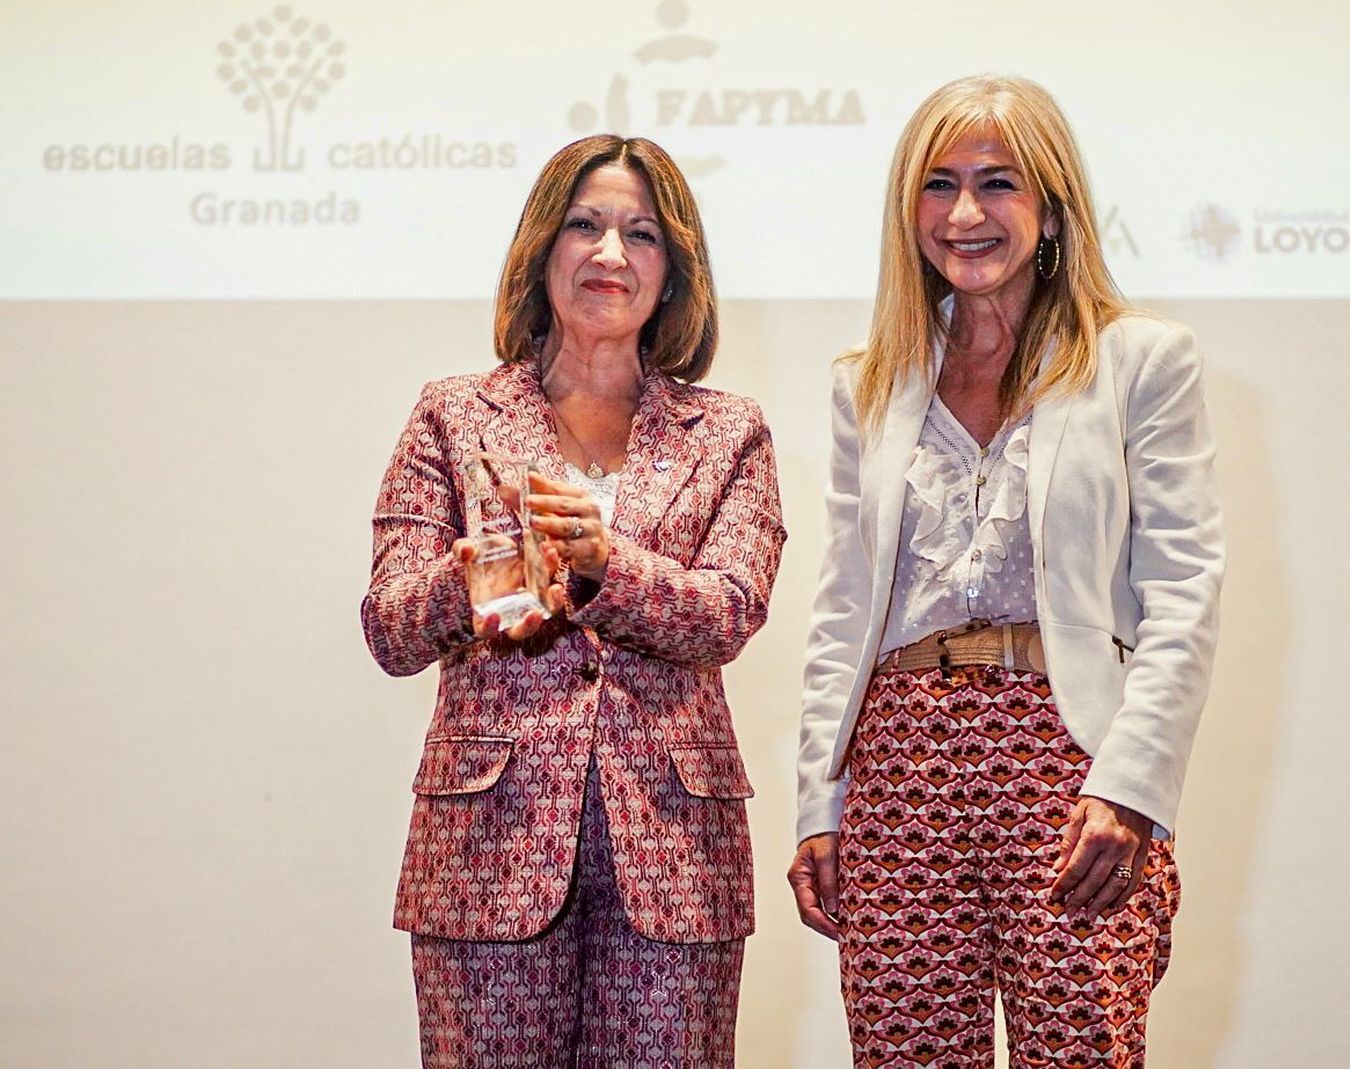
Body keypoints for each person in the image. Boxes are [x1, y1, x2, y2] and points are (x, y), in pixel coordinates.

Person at [789, 75, 1224, 1067]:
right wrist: (822, 800)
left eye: (999, 182)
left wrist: (1130, 787)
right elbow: (842, 608)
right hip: (897, 763)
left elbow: (1185, 591)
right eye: (938, 185)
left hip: (1068, 761)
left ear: (1053, 203)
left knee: (1081, 1049)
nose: (966, 213)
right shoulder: (867, 380)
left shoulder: (1141, 360)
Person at [361, 134, 785, 1068]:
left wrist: (602, 565)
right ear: (541, 248)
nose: (608, 254)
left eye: (640, 234)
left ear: (673, 272)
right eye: (584, 225)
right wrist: (473, 575)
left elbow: (729, 610)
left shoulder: (730, 432)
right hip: (486, 844)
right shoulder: (453, 413)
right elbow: (389, 625)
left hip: (675, 852)